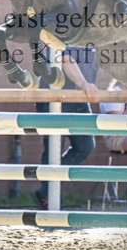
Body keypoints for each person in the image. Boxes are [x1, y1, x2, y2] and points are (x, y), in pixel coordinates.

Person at [31, 46, 98, 210]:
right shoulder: (62, 24)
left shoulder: (92, 29)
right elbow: (65, 59)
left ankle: (47, 191)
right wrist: (84, 83)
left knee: (85, 146)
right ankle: (50, 197)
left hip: (80, 97)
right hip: (56, 97)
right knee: (54, 149)